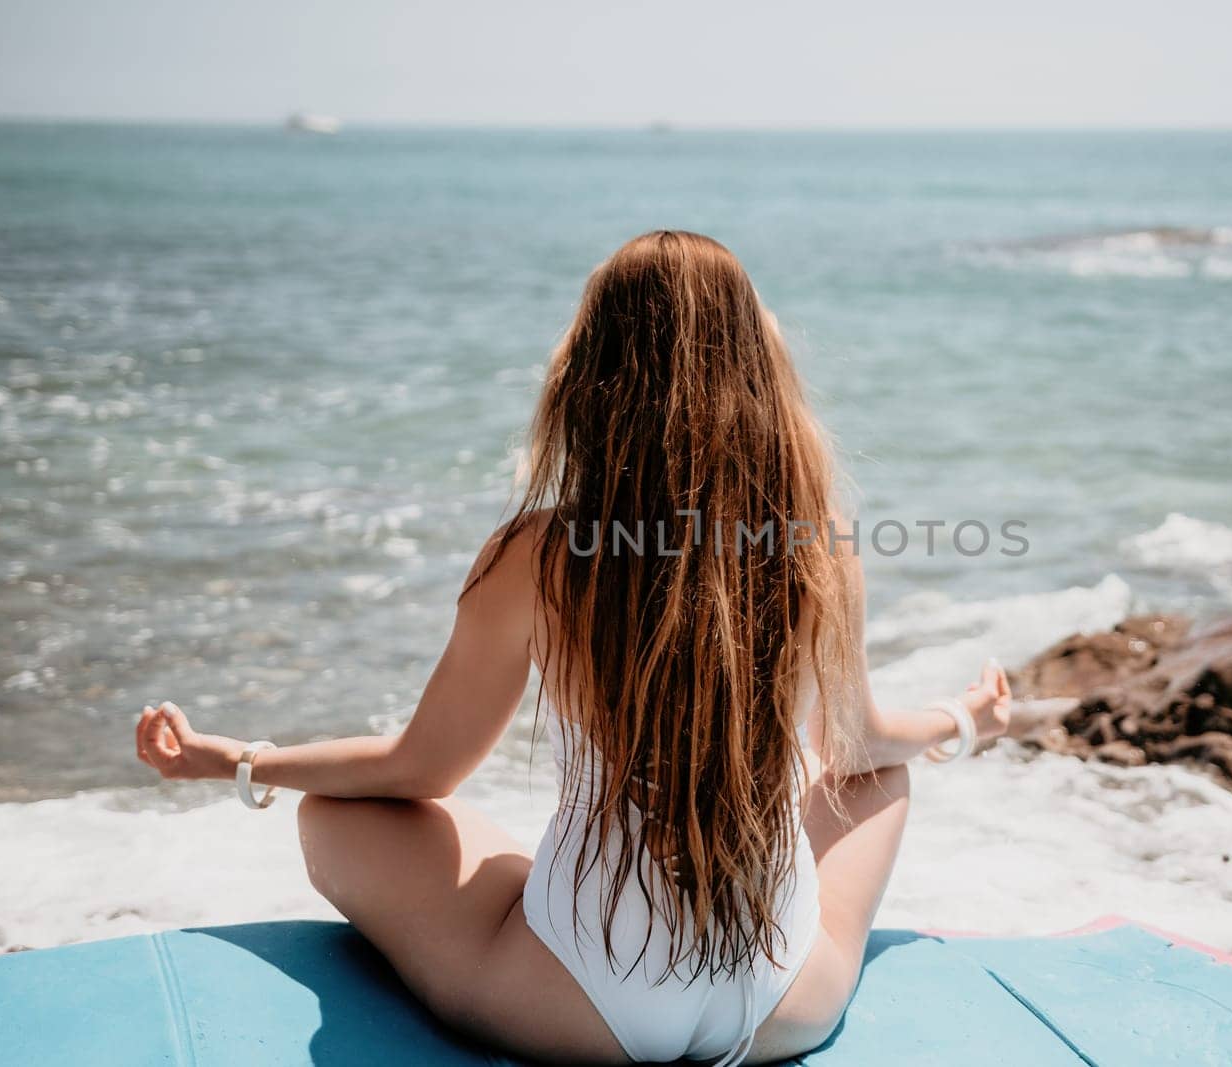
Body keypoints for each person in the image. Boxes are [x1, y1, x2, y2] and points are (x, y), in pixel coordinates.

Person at [135, 230, 1012, 1066]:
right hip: (780, 1002)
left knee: (333, 812)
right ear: (758, 374)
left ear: (594, 376)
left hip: (574, 1009)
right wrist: (961, 722)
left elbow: (422, 768)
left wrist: (241, 761)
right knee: (878, 776)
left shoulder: (537, 555)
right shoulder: (817, 548)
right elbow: (858, 744)